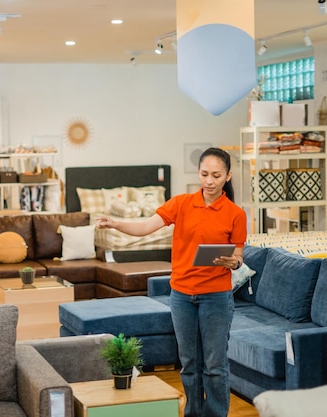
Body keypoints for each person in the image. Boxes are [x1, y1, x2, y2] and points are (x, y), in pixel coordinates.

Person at [97, 147, 247, 417]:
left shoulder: (235, 213)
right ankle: (193, 413)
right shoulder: (181, 204)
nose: (209, 181)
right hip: (181, 296)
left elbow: (238, 256)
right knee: (189, 364)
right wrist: (115, 223)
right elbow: (144, 227)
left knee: (214, 365)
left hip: (216, 297)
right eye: (204, 174)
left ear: (228, 176)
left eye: (216, 175)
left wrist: (232, 262)